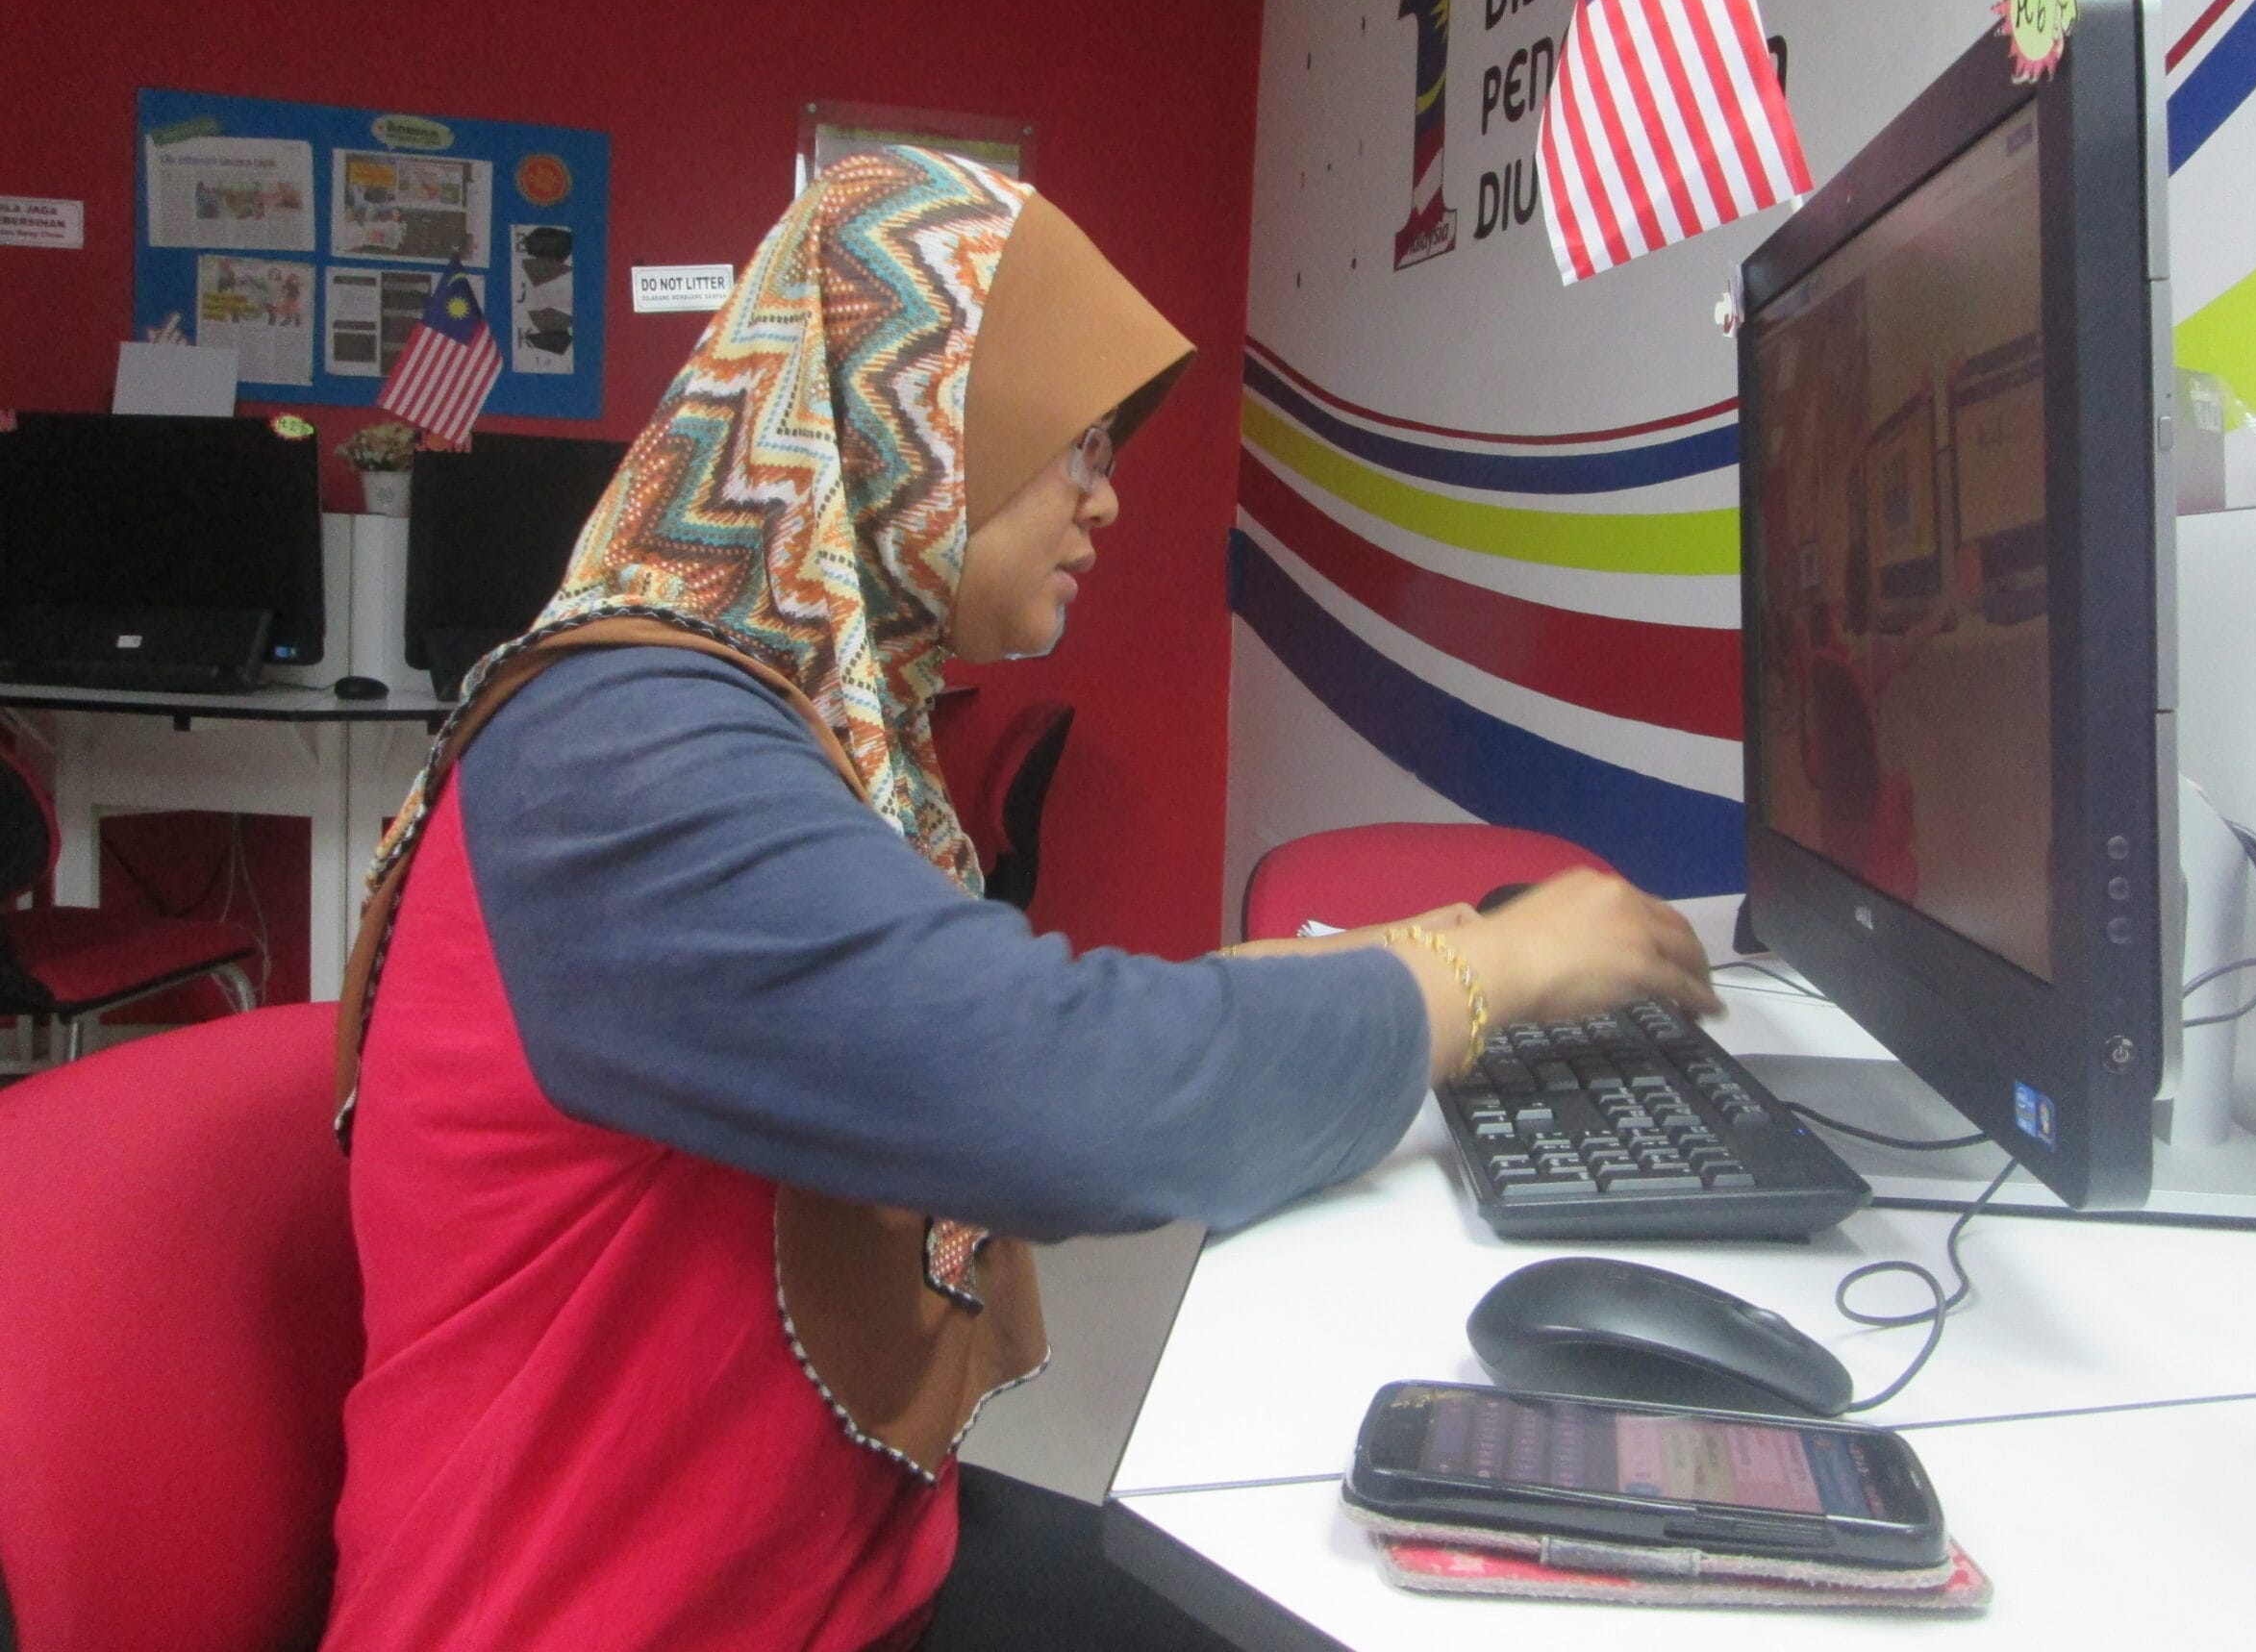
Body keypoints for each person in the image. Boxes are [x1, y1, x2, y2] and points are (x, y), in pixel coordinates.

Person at [318, 146, 1719, 1652]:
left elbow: (1029, 1018)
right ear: (916, 413)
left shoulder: (783, 715)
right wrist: (1491, 976)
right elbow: (1053, 1088)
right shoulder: (624, 747)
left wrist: (1466, 947)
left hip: (840, 1573)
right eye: (1080, 446)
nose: (1105, 504)